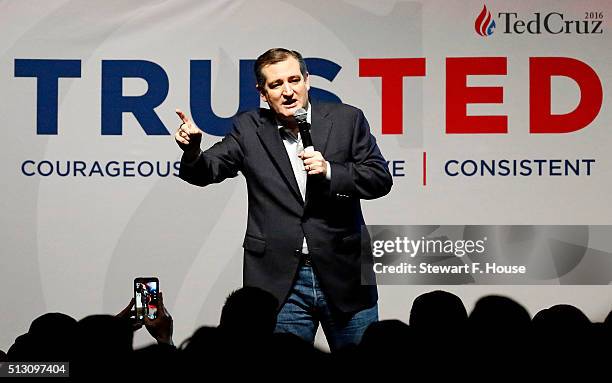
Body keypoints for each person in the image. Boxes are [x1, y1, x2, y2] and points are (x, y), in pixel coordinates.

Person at [175, 48, 392, 350]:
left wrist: (331, 171)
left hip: (345, 274)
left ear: (307, 81)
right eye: (276, 85)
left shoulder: (347, 119)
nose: (288, 92)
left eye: (294, 80)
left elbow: (380, 179)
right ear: (262, 92)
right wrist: (192, 150)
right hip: (279, 282)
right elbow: (206, 171)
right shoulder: (249, 128)